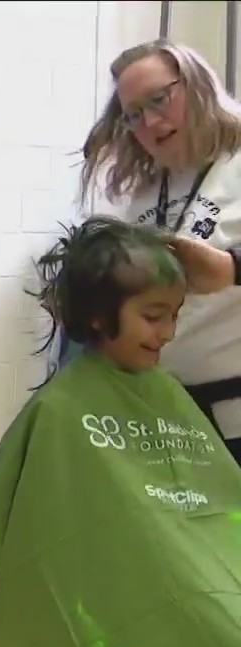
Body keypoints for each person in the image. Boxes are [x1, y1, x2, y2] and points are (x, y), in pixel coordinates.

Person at [0, 217, 241, 647]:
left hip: (192, 568)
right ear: (101, 317)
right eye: (153, 316)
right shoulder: (60, 412)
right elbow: (40, 541)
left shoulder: (167, 395)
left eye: (175, 315)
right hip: (132, 588)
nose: (167, 333)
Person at [80, 38, 241, 458]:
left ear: (197, 84)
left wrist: (230, 268)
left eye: (159, 99)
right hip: (162, 413)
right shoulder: (146, 191)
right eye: (134, 115)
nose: (150, 122)